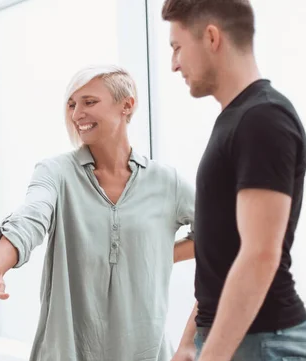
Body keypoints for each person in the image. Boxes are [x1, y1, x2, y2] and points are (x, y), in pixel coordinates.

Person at [0, 65, 195, 361]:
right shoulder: (56, 172)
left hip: (146, 352)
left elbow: (221, 234)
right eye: (72, 104)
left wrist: (153, 253)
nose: (77, 114)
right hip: (66, 351)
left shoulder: (166, 182)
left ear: (127, 105)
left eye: (89, 102)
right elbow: (31, 217)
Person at [162, 0, 306, 360]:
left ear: (211, 37)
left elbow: (258, 256)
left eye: (177, 47)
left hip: (263, 342)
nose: (173, 64)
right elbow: (224, 254)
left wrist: (213, 354)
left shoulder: (263, 119)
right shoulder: (237, 118)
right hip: (237, 340)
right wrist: (190, 340)